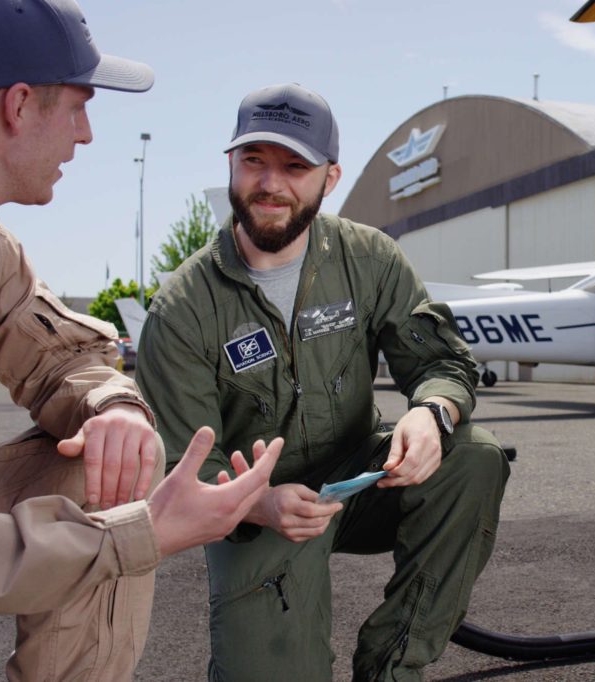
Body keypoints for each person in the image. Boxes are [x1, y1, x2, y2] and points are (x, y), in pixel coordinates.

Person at [0, 2, 280, 680]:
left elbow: (66, 356)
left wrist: (115, 409)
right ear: (19, 105)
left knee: (105, 468)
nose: (86, 135)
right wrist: (141, 536)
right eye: (78, 106)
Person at [136, 82, 511, 681]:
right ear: (230, 165)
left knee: (473, 457)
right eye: (253, 161)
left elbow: (444, 363)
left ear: (329, 178)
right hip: (251, 510)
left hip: (360, 481)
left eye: (295, 166)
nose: (270, 184)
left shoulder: (369, 259)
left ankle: (392, 667)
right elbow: (182, 469)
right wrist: (258, 502)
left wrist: (432, 412)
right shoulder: (182, 308)